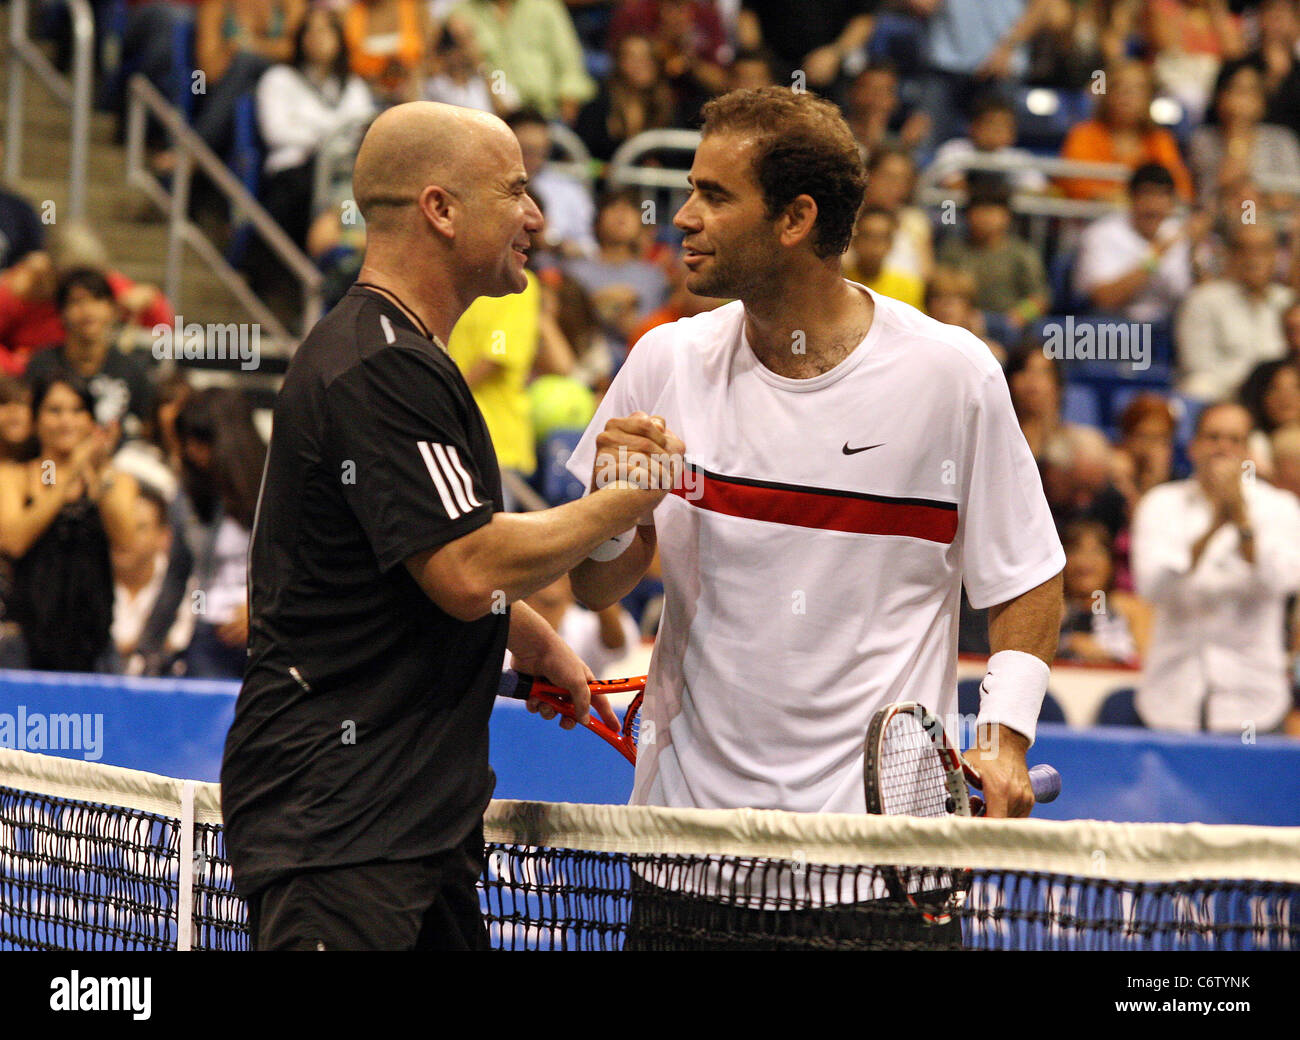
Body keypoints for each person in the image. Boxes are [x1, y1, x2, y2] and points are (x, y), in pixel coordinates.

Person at [563, 87, 1064, 947]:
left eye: (715, 196)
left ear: (795, 219)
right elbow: (597, 577)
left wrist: (1008, 739)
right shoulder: (666, 360)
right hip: (685, 863)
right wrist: (616, 511)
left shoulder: (952, 377)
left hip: (880, 874)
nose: (683, 216)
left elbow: (1027, 576)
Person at [220, 101, 678, 951]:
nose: (537, 216)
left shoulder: (398, 354)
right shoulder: (380, 364)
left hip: (415, 833)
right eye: (514, 191)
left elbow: (399, 566)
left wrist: (523, 633)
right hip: (341, 832)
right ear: (439, 209)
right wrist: (624, 501)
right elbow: (465, 566)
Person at [1132, 403, 1300, 732]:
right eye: (1213, 437)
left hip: (1254, 700)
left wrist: (1241, 522)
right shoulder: (1161, 504)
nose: (1223, 448)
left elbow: (1287, 579)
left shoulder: (1280, 507)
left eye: (1235, 440)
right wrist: (1211, 530)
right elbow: (1151, 587)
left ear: (1249, 450)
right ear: (1193, 446)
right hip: (1170, 700)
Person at [0, 371, 139, 672]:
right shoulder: (12, 477)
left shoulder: (115, 479)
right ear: (36, 420)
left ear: (91, 420)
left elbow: (127, 539)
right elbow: (14, 540)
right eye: (55, 411)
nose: (67, 421)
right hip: (24, 638)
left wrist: (99, 472)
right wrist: (69, 475)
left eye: (78, 410)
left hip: (95, 638)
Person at [1073, 163, 1204, 326]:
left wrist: (1196, 251)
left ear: (1172, 203)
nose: (1153, 207)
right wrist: (1154, 257)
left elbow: (1198, 300)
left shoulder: (1181, 234)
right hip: (1113, 328)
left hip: (1168, 329)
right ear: (1131, 198)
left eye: (1162, 196)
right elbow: (1104, 299)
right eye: (1147, 195)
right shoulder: (1100, 234)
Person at [1176, 222, 1294, 401]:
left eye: (1263, 249)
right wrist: (1255, 385)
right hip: (1224, 394)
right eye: (1244, 250)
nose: (1254, 259)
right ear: (1229, 255)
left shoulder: (1288, 300)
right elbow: (1196, 364)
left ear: (1276, 256)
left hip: (1280, 397)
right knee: (1198, 386)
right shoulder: (1203, 299)